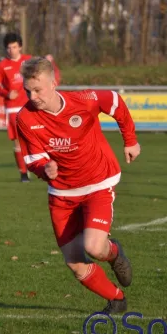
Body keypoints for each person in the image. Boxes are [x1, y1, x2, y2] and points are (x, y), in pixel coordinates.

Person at [16, 57, 141, 314]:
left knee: (94, 247)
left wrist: (130, 140)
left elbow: (115, 102)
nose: (32, 96)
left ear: (54, 83)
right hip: (61, 194)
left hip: (97, 183)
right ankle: (117, 300)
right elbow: (32, 158)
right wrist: (44, 168)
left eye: (37, 89)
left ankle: (114, 253)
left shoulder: (84, 100)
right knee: (74, 262)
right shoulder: (25, 118)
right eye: (27, 90)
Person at [0, 33, 32, 182]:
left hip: (31, 106)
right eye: (9, 48)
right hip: (13, 108)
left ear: (20, 46)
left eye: (14, 47)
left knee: (37, 138)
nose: (11, 50)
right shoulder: (3, 65)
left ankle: (39, 167)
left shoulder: (29, 61)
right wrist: (7, 93)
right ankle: (23, 173)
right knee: (18, 141)